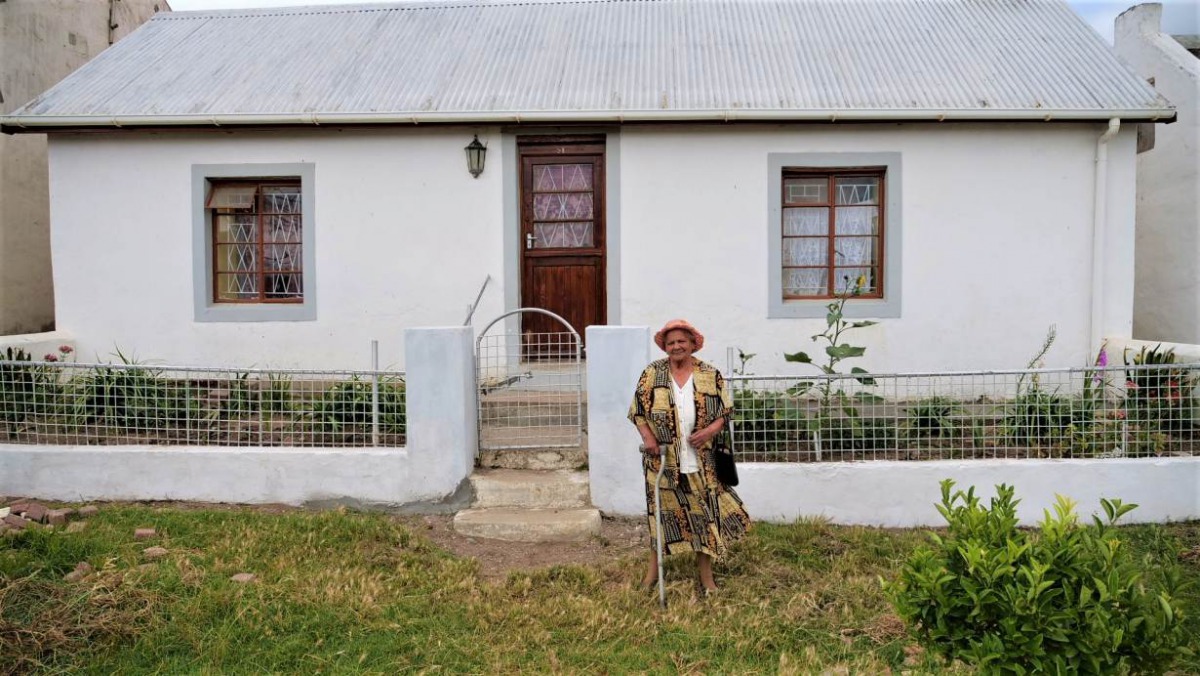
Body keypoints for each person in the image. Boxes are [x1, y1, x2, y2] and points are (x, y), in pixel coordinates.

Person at [628, 319, 751, 595]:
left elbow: (725, 413)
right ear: (665, 347)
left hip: (701, 462)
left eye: (682, 341)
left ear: (693, 344)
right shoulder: (652, 373)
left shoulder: (710, 374)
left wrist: (708, 431)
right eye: (670, 343)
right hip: (662, 463)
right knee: (660, 518)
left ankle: (706, 579)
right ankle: (652, 575)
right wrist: (648, 439)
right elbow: (637, 412)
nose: (676, 347)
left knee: (703, 519)